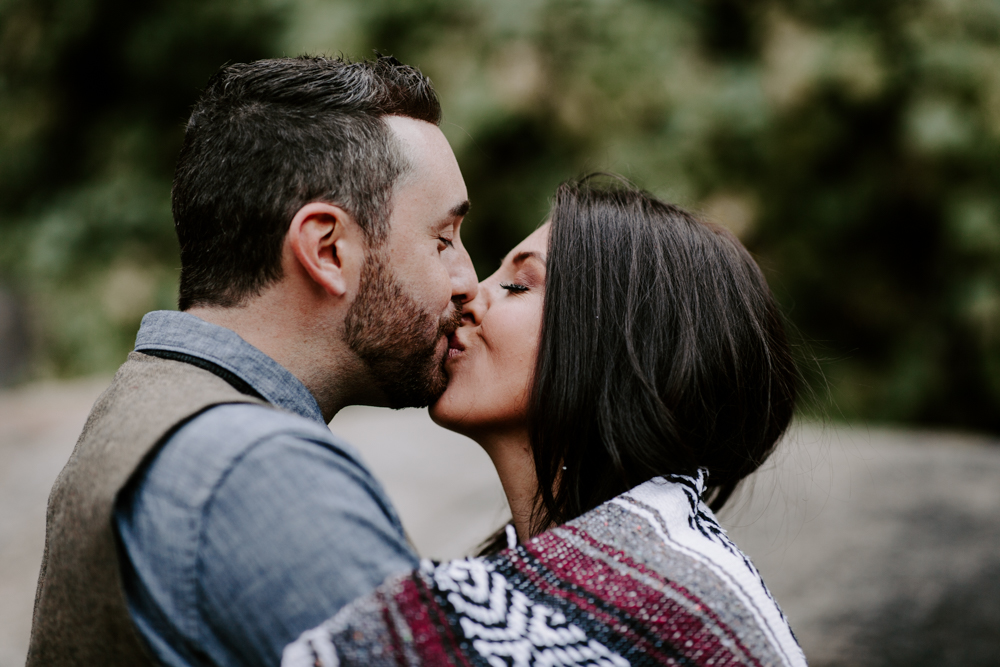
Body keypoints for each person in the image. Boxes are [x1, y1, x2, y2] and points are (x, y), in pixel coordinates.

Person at [27, 55, 478, 667]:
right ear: (326, 249)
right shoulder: (254, 468)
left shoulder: (151, 404)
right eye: (443, 240)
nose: (468, 281)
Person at [284, 177, 808, 666]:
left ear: (616, 350)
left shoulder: (670, 602)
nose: (466, 294)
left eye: (518, 285)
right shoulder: (539, 584)